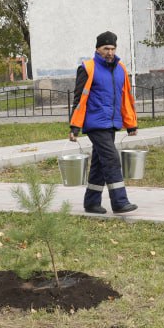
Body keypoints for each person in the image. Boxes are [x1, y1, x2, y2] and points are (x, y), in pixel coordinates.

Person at [69, 31, 138, 214]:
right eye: (106, 48)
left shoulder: (120, 68)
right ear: (97, 49)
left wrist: (130, 123)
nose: (110, 52)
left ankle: (91, 202)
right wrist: (74, 126)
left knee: (99, 163)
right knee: (112, 159)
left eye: (113, 48)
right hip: (95, 123)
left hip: (112, 123)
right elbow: (79, 99)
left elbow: (126, 98)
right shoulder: (87, 68)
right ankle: (119, 202)